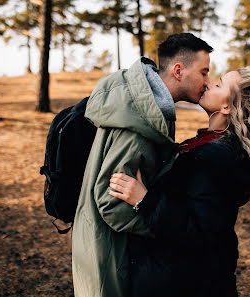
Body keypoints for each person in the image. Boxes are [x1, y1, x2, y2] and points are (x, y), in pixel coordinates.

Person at [108, 66, 250, 297]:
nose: (208, 83)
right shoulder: (209, 147)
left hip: (188, 283)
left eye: (219, 84)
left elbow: (198, 233)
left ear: (226, 106)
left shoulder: (216, 159)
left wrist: (144, 199)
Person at [71, 33, 213, 297]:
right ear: (179, 70)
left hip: (113, 249)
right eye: (204, 73)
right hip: (110, 255)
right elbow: (110, 202)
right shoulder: (141, 120)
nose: (208, 82)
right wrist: (164, 228)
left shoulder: (147, 105)